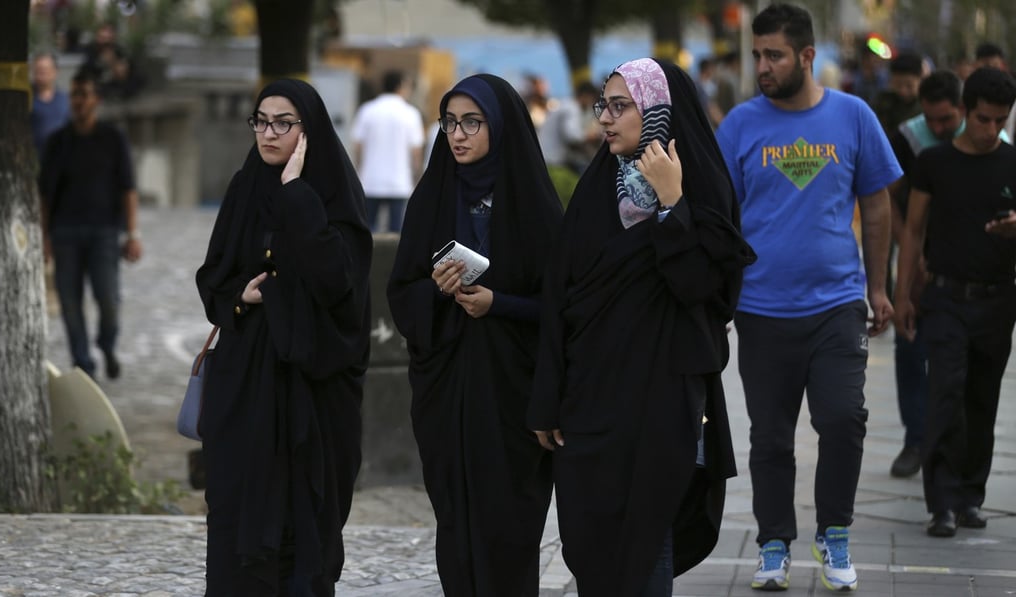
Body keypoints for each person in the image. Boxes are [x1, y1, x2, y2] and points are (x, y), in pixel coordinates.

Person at [528, 58, 755, 597]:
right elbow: (560, 298)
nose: (605, 119)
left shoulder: (702, 190)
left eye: (621, 106)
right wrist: (546, 398)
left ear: (657, 113)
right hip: (591, 399)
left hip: (663, 400)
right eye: (603, 106)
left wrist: (673, 205)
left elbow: (706, 294)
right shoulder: (594, 190)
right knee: (589, 541)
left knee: (647, 539)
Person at [715, 4, 902, 591]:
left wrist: (879, 287)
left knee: (843, 419)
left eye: (774, 55)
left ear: (807, 56)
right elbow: (721, 220)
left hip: (837, 304)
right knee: (769, 437)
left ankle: (834, 533)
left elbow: (876, 203)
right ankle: (774, 544)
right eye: (757, 56)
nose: (762, 67)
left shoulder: (853, 116)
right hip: (762, 309)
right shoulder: (741, 126)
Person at [387, 74, 563, 596]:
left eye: (472, 122)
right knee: (456, 519)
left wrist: (497, 303)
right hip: (448, 394)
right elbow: (401, 291)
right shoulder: (432, 199)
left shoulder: (534, 206)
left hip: (513, 393)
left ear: (500, 126)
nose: (458, 135)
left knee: (509, 524)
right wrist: (438, 293)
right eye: (450, 123)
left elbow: (562, 307)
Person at [195, 78, 372, 594]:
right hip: (247, 385)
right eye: (261, 121)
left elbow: (338, 282)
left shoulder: (333, 194)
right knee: (235, 514)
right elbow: (213, 277)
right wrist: (241, 298)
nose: (269, 134)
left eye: (284, 123)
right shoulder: (244, 188)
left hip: (314, 391)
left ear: (309, 130)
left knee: (305, 523)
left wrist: (297, 196)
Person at [894, 67, 1016, 539]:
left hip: (998, 297)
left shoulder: (1011, 161)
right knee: (945, 394)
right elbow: (913, 233)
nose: (992, 130)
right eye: (984, 119)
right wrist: (904, 295)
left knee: (982, 398)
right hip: (944, 295)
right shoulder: (935, 162)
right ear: (966, 112)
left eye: (1001, 121)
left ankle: (971, 495)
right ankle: (941, 500)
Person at [885, 70, 967, 478]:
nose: (937, 128)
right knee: (910, 347)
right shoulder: (908, 138)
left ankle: (952, 445)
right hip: (916, 263)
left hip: (962, 265)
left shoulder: (984, 135)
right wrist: (907, 246)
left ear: (962, 110)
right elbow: (889, 197)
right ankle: (915, 440)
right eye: (931, 119)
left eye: (947, 120)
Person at [39, 70, 142, 380]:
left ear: (96, 99)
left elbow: (128, 188)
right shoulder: (57, 142)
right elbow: (44, 194)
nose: (78, 101)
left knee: (108, 299)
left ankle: (107, 346)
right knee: (70, 304)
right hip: (64, 233)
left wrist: (132, 233)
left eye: (84, 94)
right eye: (74, 95)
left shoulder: (113, 139)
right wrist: (43, 236)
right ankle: (83, 363)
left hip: (104, 233)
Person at [350, 69, 425, 233]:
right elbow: (416, 151)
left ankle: (368, 259)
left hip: (370, 180)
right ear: (400, 86)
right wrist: (417, 177)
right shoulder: (410, 113)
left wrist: (359, 170)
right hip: (399, 181)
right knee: (396, 232)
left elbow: (358, 146)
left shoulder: (367, 110)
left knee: (367, 229)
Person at [538, 80, 600, 175]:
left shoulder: (565, 104)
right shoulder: (571, 108)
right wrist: (591, 136)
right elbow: (572, 136)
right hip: (552, 162)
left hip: (546, 157)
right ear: (585, 96)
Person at [873, 51, 925, 133]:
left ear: (920, 80)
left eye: (909, 85)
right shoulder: (882, 103)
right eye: (898, 85)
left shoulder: (926, 105)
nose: (903, 91)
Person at [30, 52, 69, 160]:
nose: (41, 74)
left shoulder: (66, 100)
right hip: (34, 160)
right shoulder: (26, 100)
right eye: (38, 70)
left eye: (45, 70)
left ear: (55, 71)